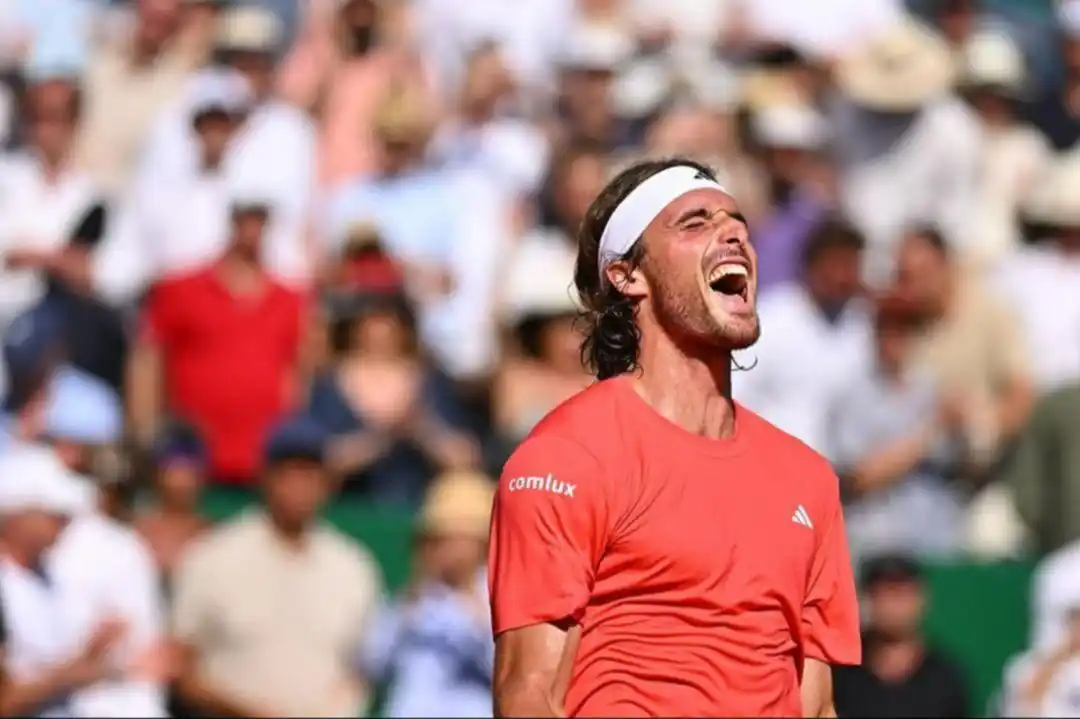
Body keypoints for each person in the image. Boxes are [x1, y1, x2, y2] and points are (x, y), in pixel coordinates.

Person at [488, 157, 861, 717]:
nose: (733, 233)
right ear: (627, 274)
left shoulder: (809, 481)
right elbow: (529, 696)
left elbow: (816, 707)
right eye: (695, 223)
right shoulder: (567, 457)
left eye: (738, 223)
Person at [171, 416, 383, 717]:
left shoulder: (353, 566)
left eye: (309, 472)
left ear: (328, 483)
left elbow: (362, 671)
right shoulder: (212, 558)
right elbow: (180, 669)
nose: (298, 484)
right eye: (288, 471)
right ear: (264, 476)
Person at [0, 445, 134, 717]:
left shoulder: (45, 577)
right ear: (17, 515)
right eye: (53, 514)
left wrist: (91, 653)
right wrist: (73, 674)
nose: (64, 522)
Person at [833, 555, 971, 718]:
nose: (893, 604)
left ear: (922, 598)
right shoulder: (840, 676)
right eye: (884, 593)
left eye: (901, 593)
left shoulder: (946, 679)